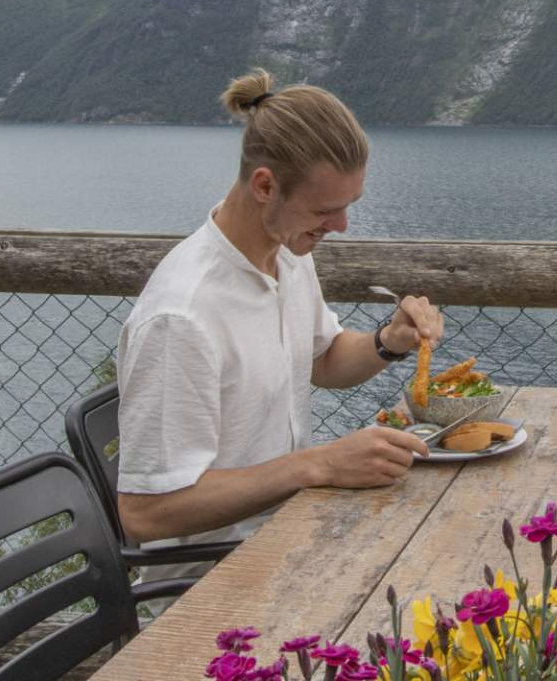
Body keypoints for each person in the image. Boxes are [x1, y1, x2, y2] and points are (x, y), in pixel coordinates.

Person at [115, 68, 441, 561]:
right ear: (265, 185)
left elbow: (325, 359)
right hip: (207, 585)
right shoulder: (181, 317)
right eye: (324, 210)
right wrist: (316, 466)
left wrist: (389, 340)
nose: (343, 226)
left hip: (287, 541)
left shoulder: (288, 255)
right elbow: (145, 512)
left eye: (350, 204)